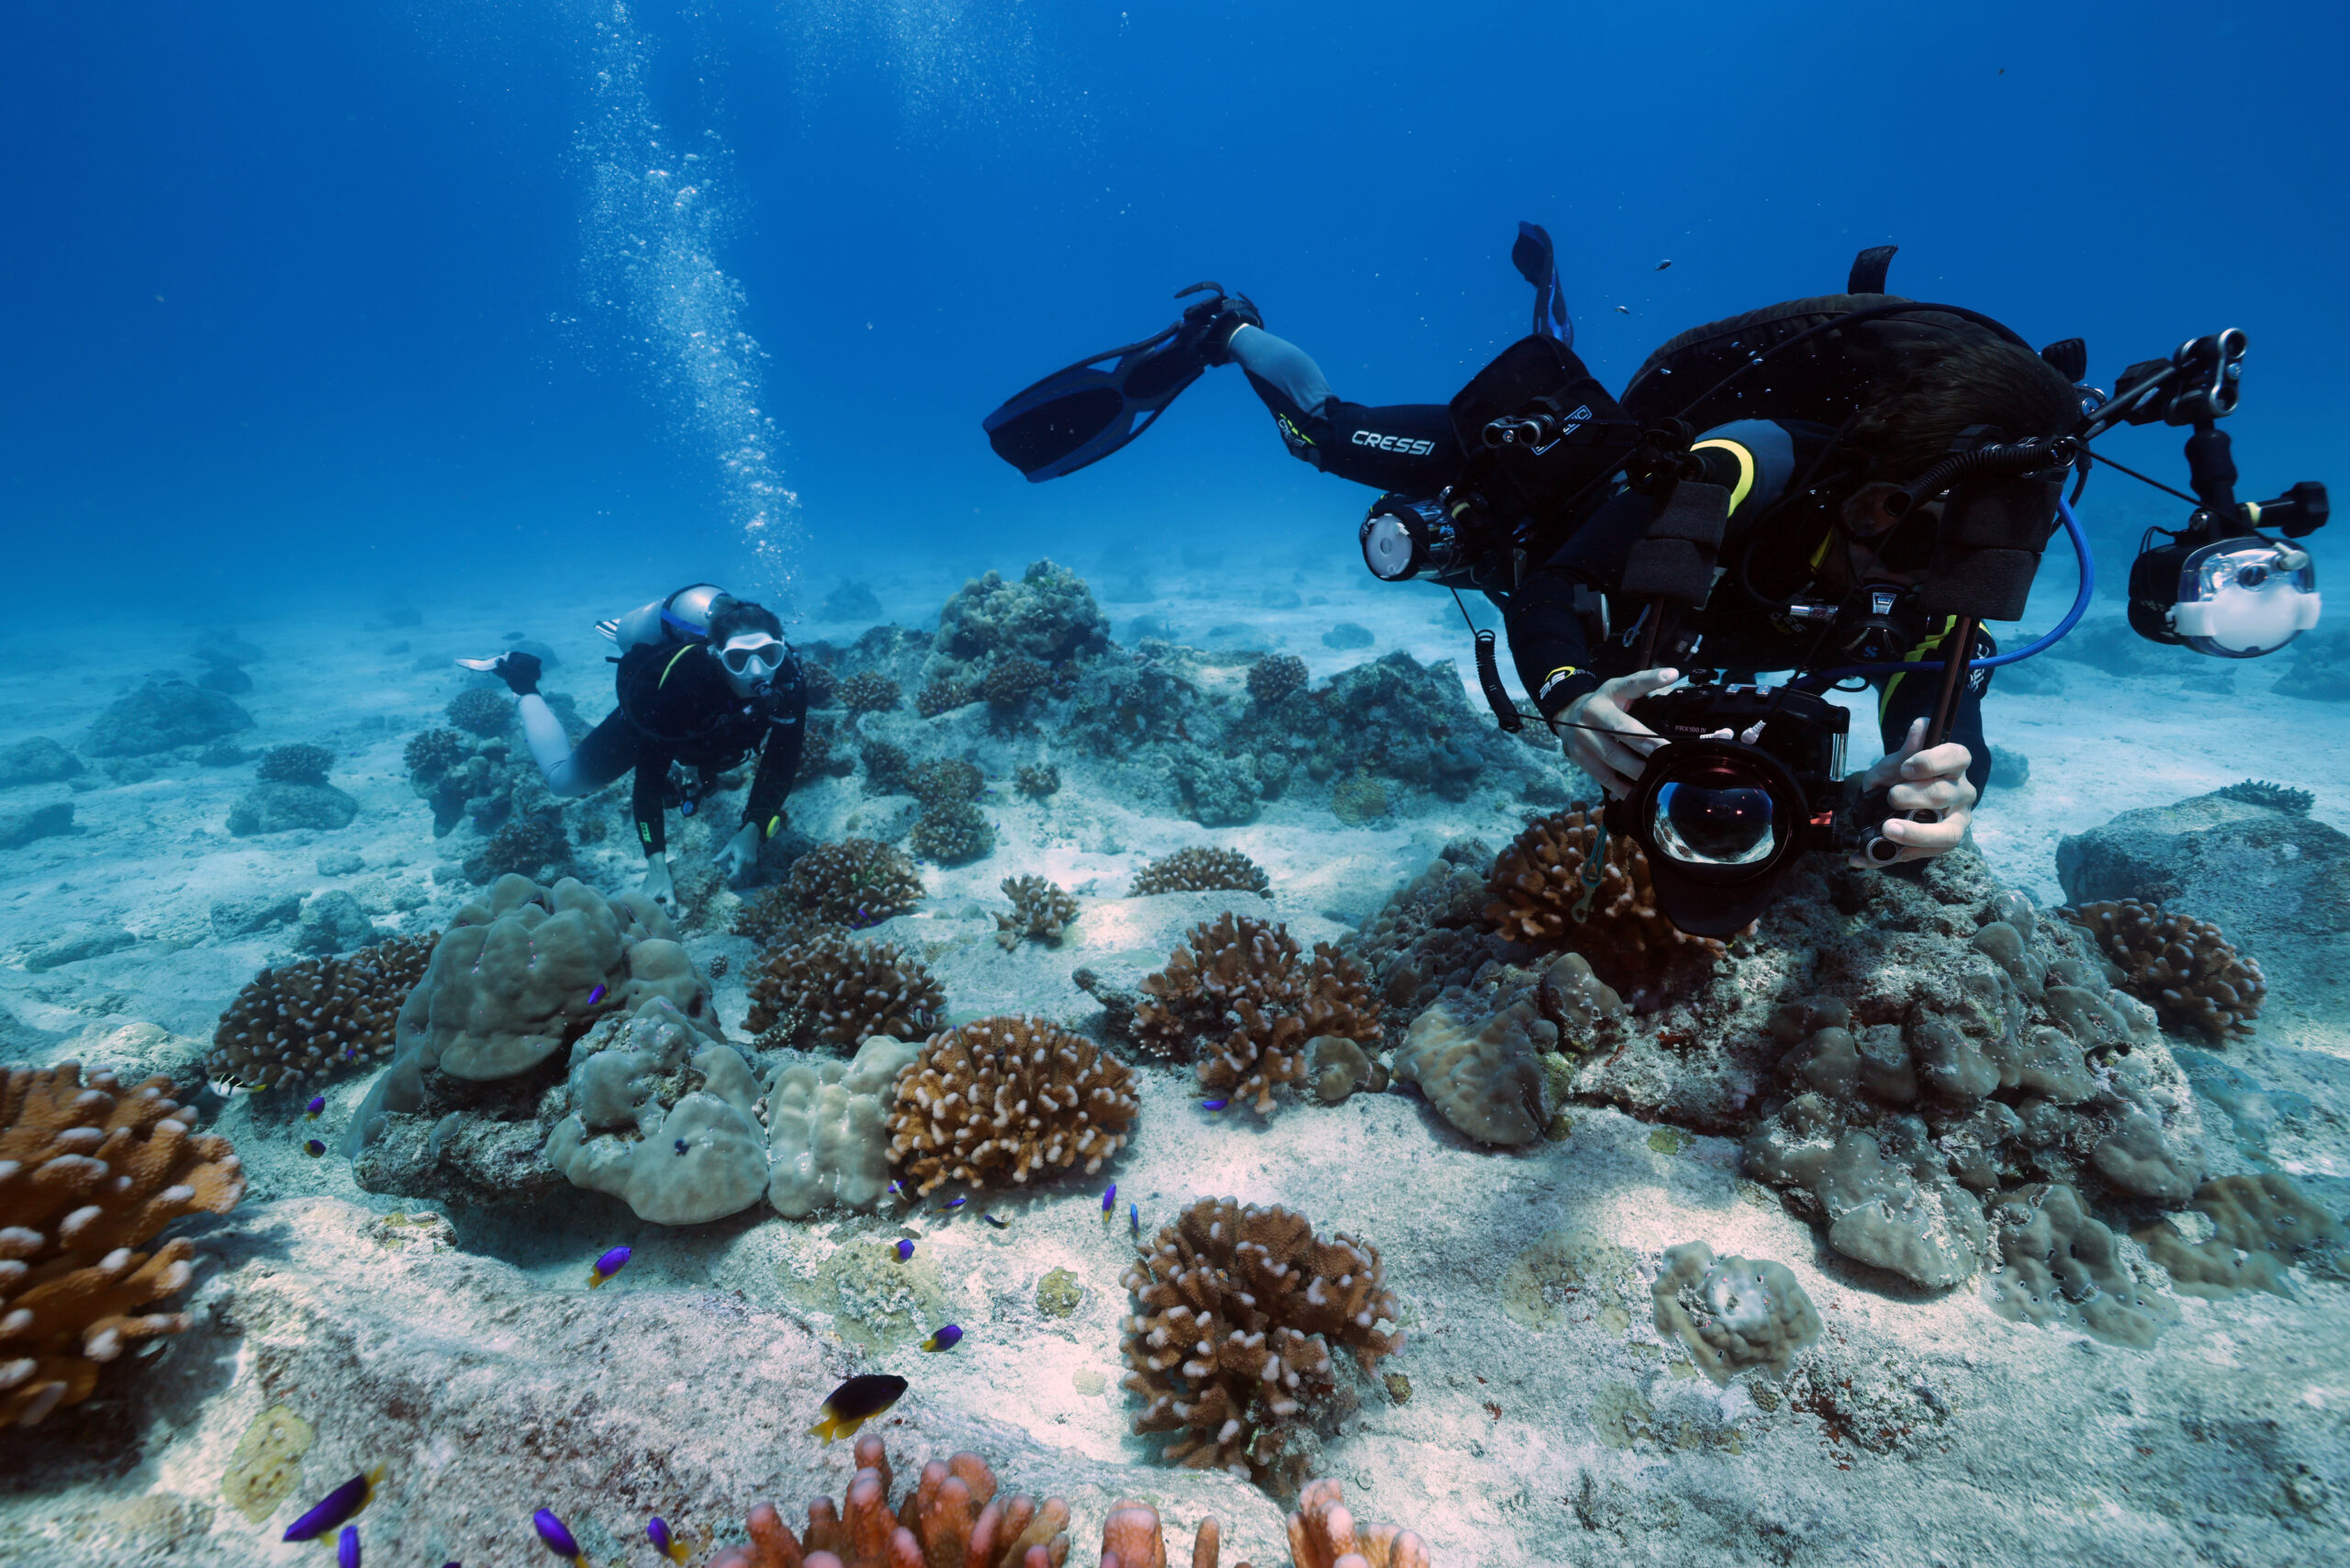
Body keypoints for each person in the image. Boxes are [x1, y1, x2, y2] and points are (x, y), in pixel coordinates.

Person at [1174, 285, 2084, 868]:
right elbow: (1551, 588)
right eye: (1900, 525)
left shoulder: (1938, 551)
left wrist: (1946, 782)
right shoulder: (1738, 471)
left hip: (1633, 566)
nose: (1915, 575)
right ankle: (1231, 328)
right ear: (1866, 488)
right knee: (1326, 436)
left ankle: (1552, 312)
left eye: (1957, 553)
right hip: (1529, 499)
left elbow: (1939, 671)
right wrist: (1568, 696)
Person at [462, 586, 807, 912]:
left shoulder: (789, 679)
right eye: (739, 660)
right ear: (717, 656)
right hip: (657, 718)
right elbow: (649, 779)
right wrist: (656, 862)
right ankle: (520, 681)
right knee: (562, 782)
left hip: (706, 734)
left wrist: (754, 828)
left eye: (768, 654)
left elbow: (783, 759)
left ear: (782, 648)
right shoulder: (680, 685)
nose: (757, 672)